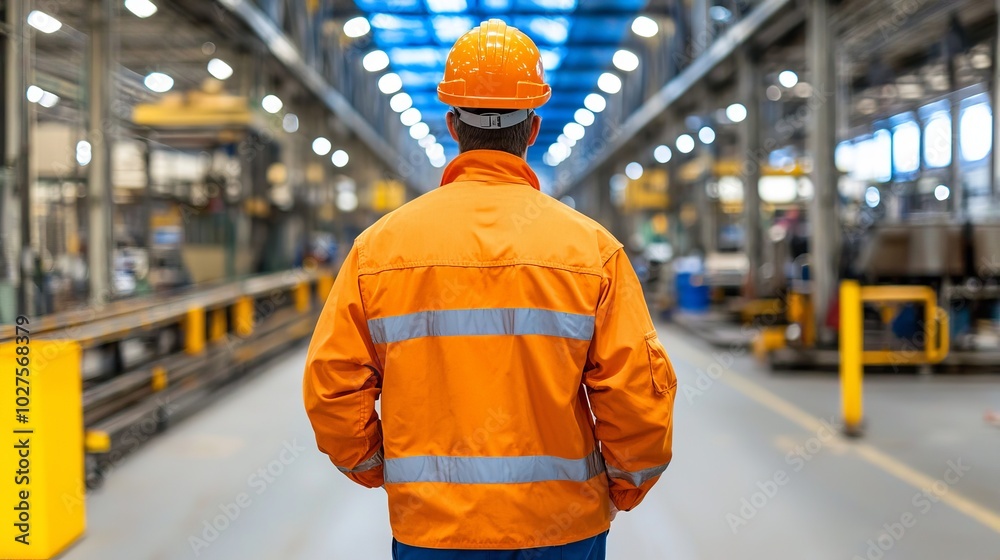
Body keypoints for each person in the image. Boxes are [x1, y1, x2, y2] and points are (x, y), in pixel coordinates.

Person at [303, 19, 676, 560]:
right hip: (564, 528)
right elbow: (637, 394)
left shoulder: (379, 250)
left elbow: (332, 385)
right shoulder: (592, 250)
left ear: (453, 124)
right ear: (533, 128)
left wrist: (377, 468)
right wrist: (625, 485)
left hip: (433, 530)